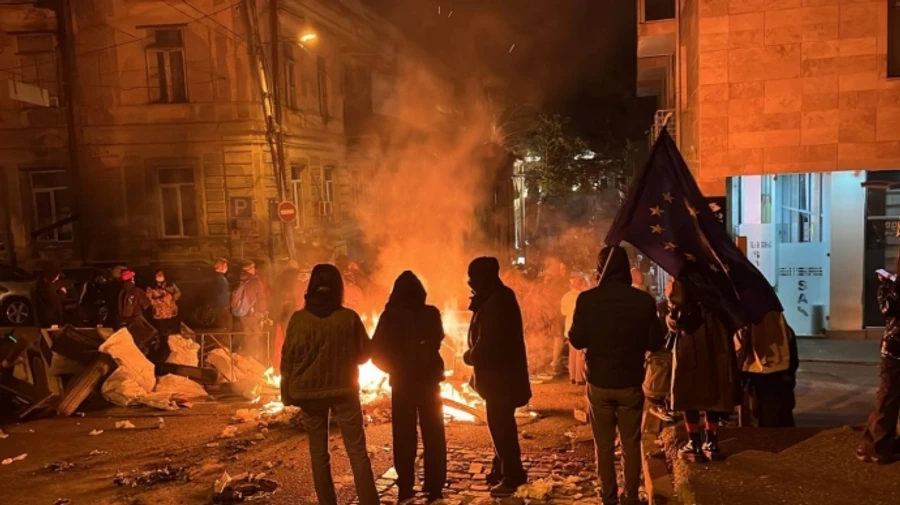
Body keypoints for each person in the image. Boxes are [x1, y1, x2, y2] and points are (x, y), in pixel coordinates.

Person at [569, 246, 665, 505]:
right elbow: (656, 341)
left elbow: (577, 340)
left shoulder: (587, 300)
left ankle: (609, 496)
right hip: (631, 381)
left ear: (600, 269)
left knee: (604, 444)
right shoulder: (643, 301)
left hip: (599, 382)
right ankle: (632, 496)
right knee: (631, 442)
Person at [280, 264, 379, 505]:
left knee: (319, 454)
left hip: (309, 394)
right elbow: (365, 355)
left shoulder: (298, 319)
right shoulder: (349, 318)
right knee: (357, 453)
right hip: (344, 391)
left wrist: (288, 393)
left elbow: (288, 359)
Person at [371, 271, 447, 503]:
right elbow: (438, 338)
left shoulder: (390, 316)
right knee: (434, 433)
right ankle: (435, 485)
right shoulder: (431, 313)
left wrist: (393, 368)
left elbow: (376, 351)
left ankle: (405, 485)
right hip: (428, 381)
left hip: (402, 384)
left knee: (403, 435)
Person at [463, 257, 531, 498]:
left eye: (472, 278)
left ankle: (513, 476)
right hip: (501, 379)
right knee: (501, 426)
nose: (469, 283)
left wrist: (469, 356)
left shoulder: (496, 303)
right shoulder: (497, 296)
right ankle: (502, 468)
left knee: (501, 428)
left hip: (500, 380)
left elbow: (488, 346)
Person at [666, 269, 741, 462]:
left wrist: (670, 305)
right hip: (718, 339)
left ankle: (694, 443)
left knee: (689, 390)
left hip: (693, 340)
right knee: (713, 389)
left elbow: (678, 315)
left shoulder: (684, 276)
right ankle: (712, 442)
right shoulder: (719, 275)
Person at [858, 266, 900, 464]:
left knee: (887, 397)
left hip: (895, 346)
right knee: (888, 397)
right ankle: (877, 447)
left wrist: (884, 286)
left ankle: (873, 446)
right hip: (896, 348)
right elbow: (890, 307)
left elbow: (888, 306)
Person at [736, 312, 798, 428]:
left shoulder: (750, 330)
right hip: (781, 377)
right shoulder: (784, 330)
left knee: (764, 415)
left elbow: (741, 354)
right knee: (782, 415)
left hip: (759, 376)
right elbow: (793, 359)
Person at [231, 260, 269, 356]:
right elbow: (257, 298)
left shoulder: (240, 280)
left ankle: (247, 357)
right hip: (253, 315)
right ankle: (255, 360)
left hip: (243, 313)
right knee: (255, 338)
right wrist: (261, 312)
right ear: (250, 269)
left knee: (247, 336)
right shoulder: (254, 281)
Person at [561, 274, 588, 385]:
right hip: (579, 327)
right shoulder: (582, 296)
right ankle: (579, 378)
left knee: (572, 353)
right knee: (580, 354)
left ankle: (572, 376)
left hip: (568, 327)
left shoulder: (566, 296)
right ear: (581, 284)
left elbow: (563, 312)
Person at [146, 270, 182, 337]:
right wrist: (161, 300)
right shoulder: (151, 288)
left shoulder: (171, 284)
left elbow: (178, 293)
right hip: (160, 315)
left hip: (171, 314)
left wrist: (172, 297)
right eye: (158, 282)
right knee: (162, 334)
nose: (160, 284)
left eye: (161, 282)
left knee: (173, 334)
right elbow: (149, 301)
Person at [213, 259, 232, 331]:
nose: (226, 268)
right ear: (220, 267)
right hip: (222, 306)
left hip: (222, 305)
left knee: (225, 326)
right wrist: (225, 305)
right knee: (226, 326)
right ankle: (224, 342)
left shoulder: (220, 277)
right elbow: (221, 293)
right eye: (225, 266)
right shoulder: (219, 278)